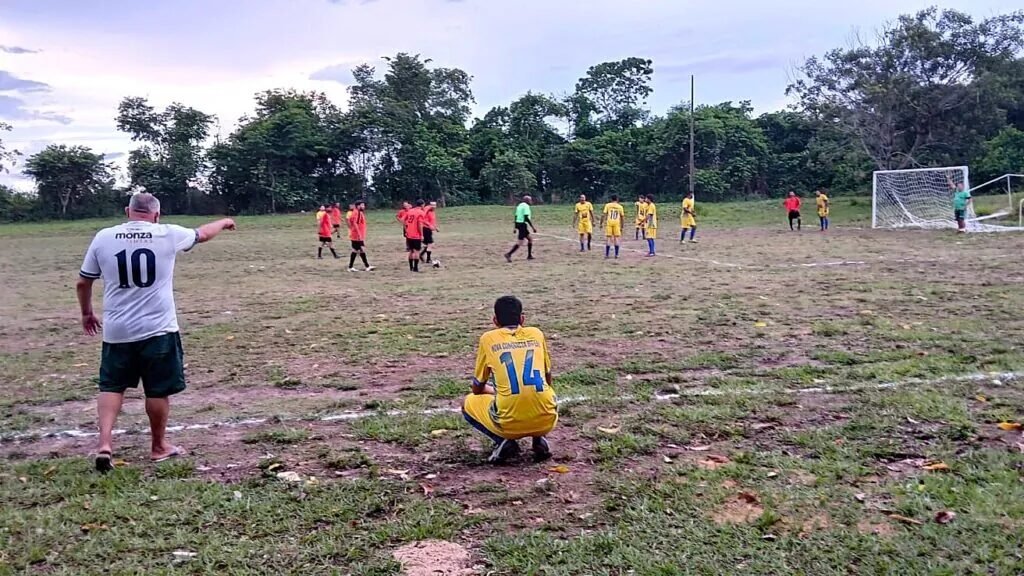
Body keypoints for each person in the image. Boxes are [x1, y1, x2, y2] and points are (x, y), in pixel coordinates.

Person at [76, 193, 235, 472]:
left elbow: (83, 282)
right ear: (157, 215)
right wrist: (223, 222)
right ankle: (159, 446)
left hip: (117, 330)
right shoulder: (167, 234)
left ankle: (104, 444)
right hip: (158, 329)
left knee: (111, 386)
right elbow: (202, 234)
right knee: (157, 389)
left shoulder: (103, 237)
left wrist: (87, 313)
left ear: (127, 211)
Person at [462, 295, 557, 464]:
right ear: (522, 319)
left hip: (508, 424)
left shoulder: (488, 339)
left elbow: (477, 388)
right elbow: (547, 380)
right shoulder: (536, 334)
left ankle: (503, 441)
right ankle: (538, 438)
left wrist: (497, 391)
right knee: (541, 393)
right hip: (547, 420)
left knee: (467, 403)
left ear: (495, 320)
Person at [505, 195, 537, 263]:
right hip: (522, 225)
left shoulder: (519, 206)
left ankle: (529, 255)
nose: (531, 201)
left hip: (518, 224)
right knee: (520, 242)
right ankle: (509, 254)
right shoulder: (526, 206)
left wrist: (515, 227)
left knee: (530, 239)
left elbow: (516, 216)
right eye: (530, 200)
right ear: (527, 201)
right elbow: (526, 217)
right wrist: (533, 227)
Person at [346, 200, 375, 272]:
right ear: (358, 206)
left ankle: (351, 267)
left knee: (356, 250)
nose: (364, 206)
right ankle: (366, 266)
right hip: (357, 236)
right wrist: (358, 233)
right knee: (361, 249)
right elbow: (354, 223)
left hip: (357, 235)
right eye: (362, 205)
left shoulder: (358, 212)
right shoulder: (356, 213)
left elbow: (351, 221)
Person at [403, 200, 426, 272]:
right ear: (422, 205)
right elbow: (420, 224)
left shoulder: (410, 211)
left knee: (411, 251)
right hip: (416, 235)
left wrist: (406, 230)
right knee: (417, 251)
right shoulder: (421, 212)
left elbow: (404, 220)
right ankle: (415, 268)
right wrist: (421, 235)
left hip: (409, 234)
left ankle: (411, 268)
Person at [600, 194, 626, 259]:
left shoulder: (608, 205)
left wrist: (601, 223)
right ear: (617, 199)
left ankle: (607, 254)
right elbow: (622, 217)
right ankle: (616, 254)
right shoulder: (620, 207)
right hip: (616, 223)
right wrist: (622, 226)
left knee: (608, 238)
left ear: (611, 199)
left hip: (609, 222)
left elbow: (603, 215)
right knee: (616, 238)